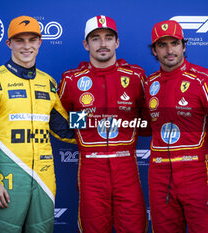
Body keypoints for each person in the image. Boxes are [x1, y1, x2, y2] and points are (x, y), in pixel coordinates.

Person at [0, 15, 75, 233]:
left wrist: (97, 118)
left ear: (40, 43)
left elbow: (64, 128)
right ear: (8, 43)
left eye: (32, 40)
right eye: (20, 40)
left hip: (45, 177)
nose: (27, 46)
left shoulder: (48, 82)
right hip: (8, 178)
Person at [145, 20, 208, 233]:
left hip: (195, 173)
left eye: (174, 43)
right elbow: (143, 125)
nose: (169, 50)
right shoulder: (149, 83)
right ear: (155, 51)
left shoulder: (205, 80)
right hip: (159, 175)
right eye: (162, 45)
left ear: (184, 46)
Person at [58, 15, 148, 233]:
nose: (103, 44)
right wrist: (87, 127)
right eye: (96, 38)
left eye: (108, 38)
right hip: (91, 167)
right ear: (86, 44)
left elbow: (148, 120)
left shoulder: (135, 76)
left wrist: (127, 123)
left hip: (126, 165)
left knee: (134, 227)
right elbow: (61, 119)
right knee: (93, 228)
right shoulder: (71, 80)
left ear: (117, 42)